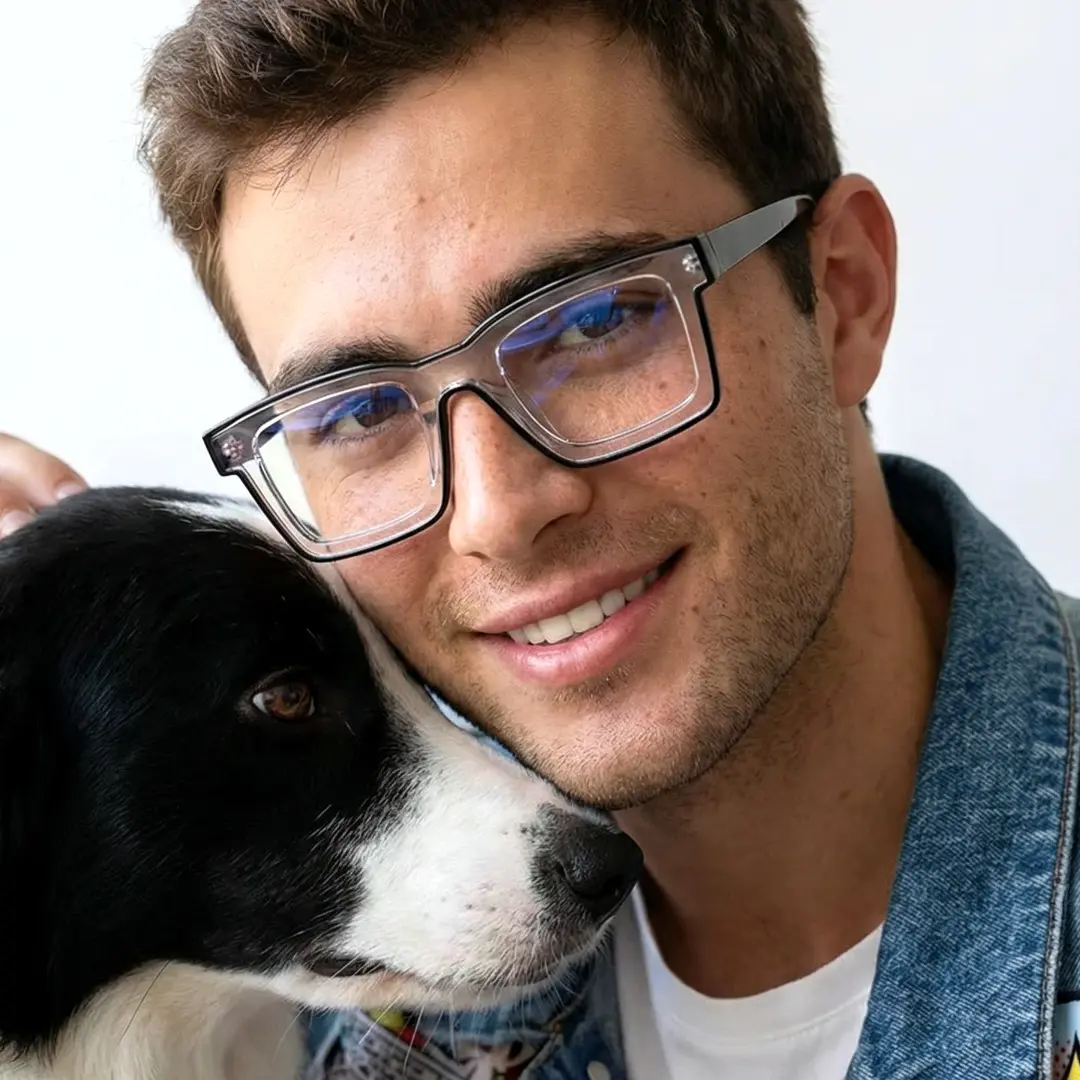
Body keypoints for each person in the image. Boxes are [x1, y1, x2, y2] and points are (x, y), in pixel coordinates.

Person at [1, 2, 1078, 1077]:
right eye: (359, 411)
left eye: (594, 321)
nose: (497, 509)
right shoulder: (333, 962)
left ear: (844, 293)